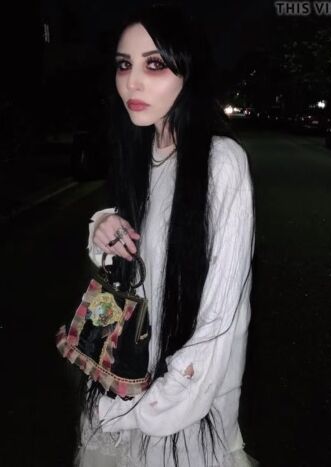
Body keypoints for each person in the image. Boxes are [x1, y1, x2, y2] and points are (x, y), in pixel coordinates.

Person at [75, 4, 256, 466]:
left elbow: (221, 318)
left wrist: (148, 408)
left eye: (154, 64)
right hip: (129, 378)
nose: (132, 83)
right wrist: (106, 228)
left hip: (183, 411)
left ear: (188, 71)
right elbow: (140, 262)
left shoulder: (221, 163)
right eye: (124, 65)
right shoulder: (141, 149)